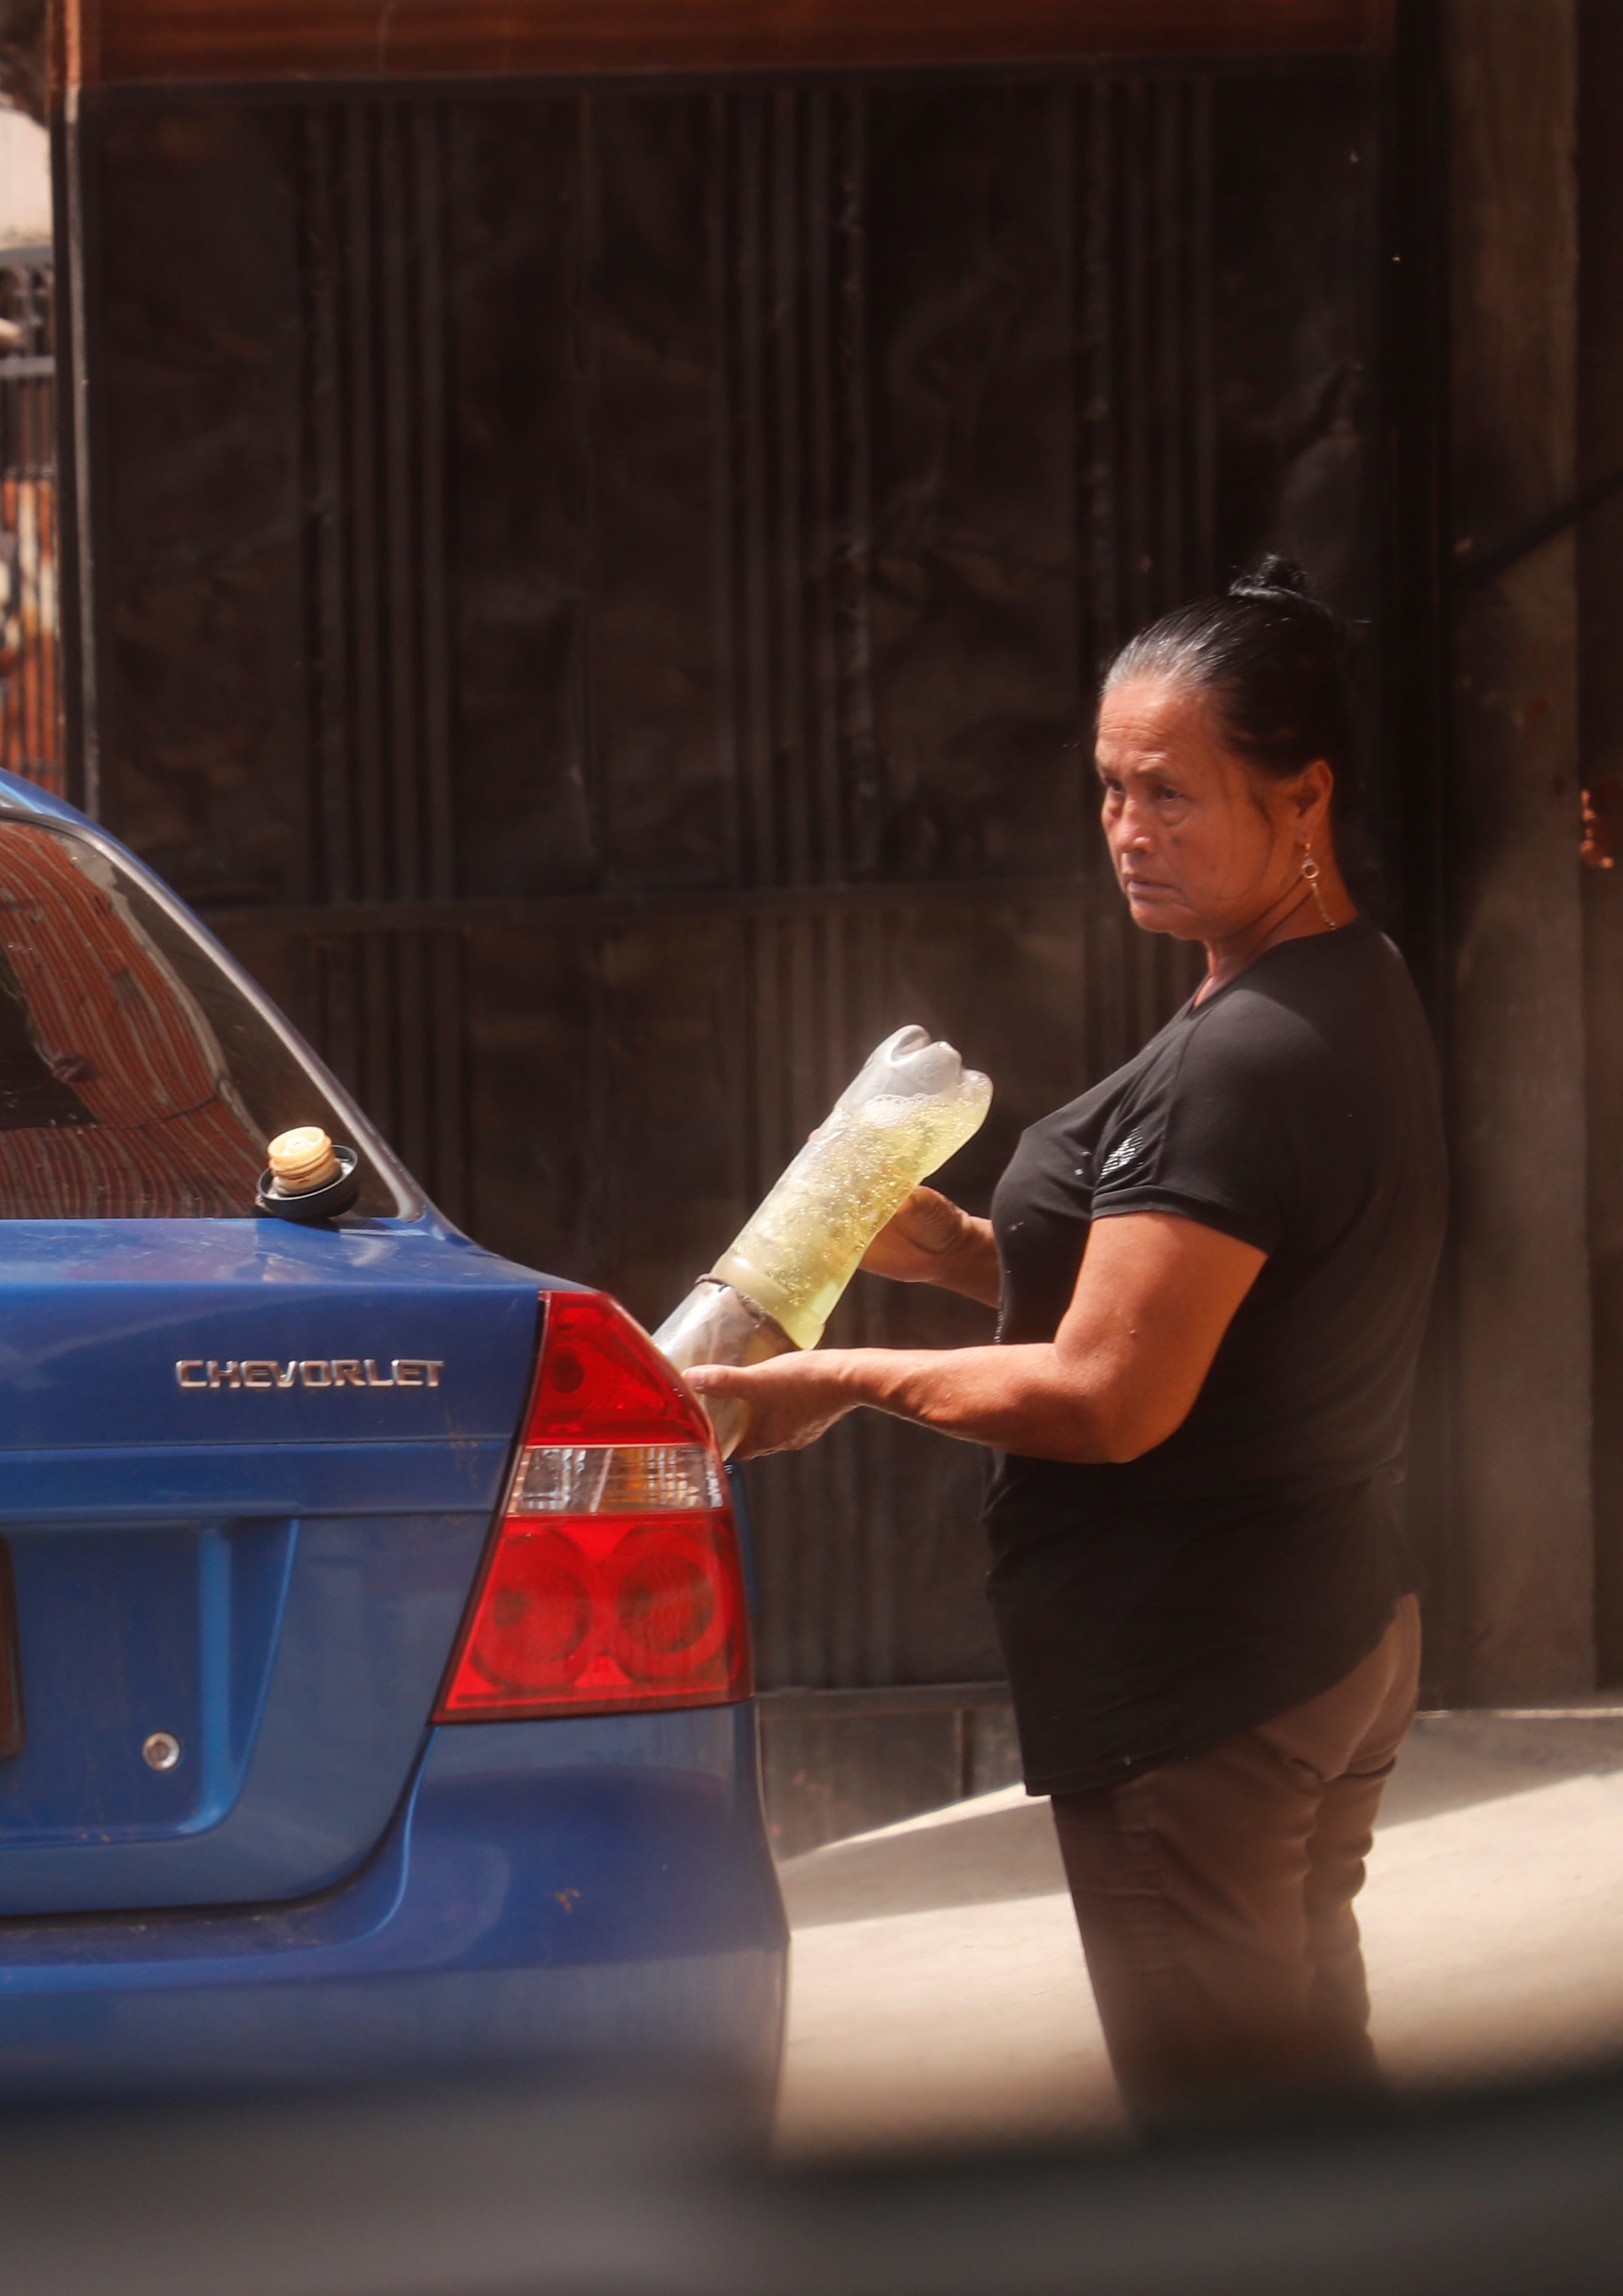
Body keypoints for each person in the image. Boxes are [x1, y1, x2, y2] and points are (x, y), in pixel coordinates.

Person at [687, 558, 1444, 2131]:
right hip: (1317, 1629)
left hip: (1202, 1676)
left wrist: (825, 1382)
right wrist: (957, 1253)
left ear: (1304, 796)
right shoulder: (1336, 988)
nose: (1124, 829)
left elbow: (1110, 1396)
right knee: (1312, 2104)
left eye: (1169, 793)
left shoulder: (1242, 1058)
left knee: (1225, 2139)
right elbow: (1213, 1295)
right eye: (1107, 787)